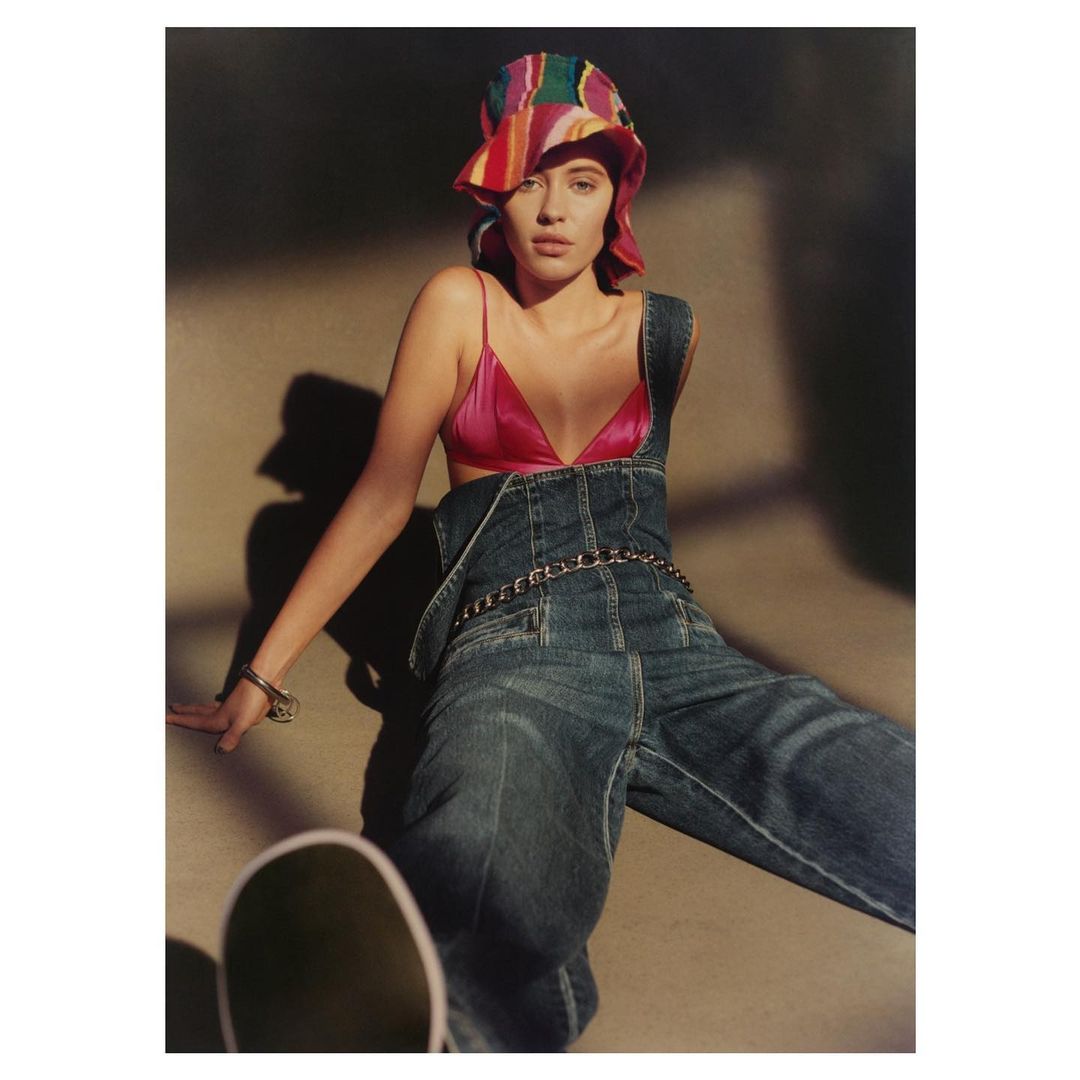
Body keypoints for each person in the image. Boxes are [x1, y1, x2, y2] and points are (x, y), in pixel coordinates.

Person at [168, 52, 914, 1052]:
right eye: (530, 179)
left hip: (684, 646)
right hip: (516, 652)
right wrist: (257, 676)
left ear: (616, 198)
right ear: (496, 193)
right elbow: (383, 498)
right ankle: (410, 1036)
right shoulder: (456, 306)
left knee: (870, 778)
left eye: (583, 179)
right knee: (482, 857)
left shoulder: (668, 334)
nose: (555, 207)